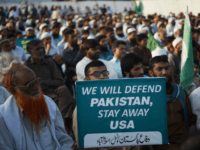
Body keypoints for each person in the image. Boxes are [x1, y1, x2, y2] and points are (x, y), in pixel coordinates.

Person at [0, 63, 74, 150]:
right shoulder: (3, 117)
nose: (36, 88)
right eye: (29, 85)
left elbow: (64, 140)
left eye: (36, 82)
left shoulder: (49, 103)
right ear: (13, 90)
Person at [149, 48, 197, 150]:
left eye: (167, 68)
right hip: (160, 145)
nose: (164, 72)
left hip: (183, 144)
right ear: (150, 72)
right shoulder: (147, 96)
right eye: (159, 69)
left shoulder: (180, 92)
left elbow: (190, 121)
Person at [25, 40, 76, 132]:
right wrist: (45, 83)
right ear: (30, 51)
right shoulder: (26, 66)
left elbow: (60, 81)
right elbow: (29, 85)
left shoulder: (50, 63)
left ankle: (63, 122)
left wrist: (43, 81)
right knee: (69, 101)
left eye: (42, 48)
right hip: (39, 94)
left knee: (63, 89)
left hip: (55, 91)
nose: (41, 50)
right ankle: (65, 124)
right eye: (37, 49)